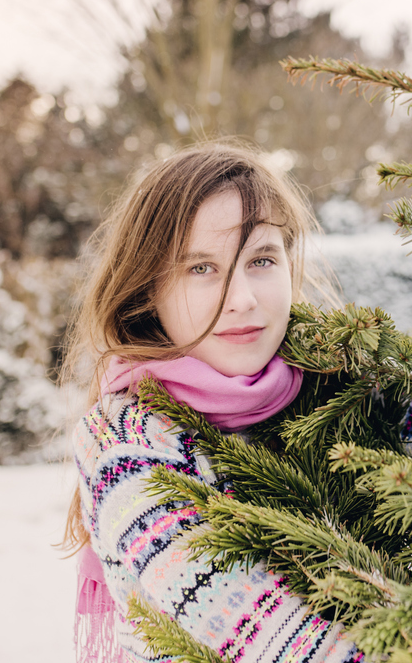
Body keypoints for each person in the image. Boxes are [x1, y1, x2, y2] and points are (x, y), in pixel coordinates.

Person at [62, 142, 366, 662]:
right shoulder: (128, 450)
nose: (242, 298)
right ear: (147, 290)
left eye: (261, 260)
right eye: (201, 268)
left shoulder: (347, 396)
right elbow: (279, 644)